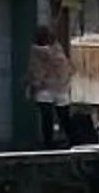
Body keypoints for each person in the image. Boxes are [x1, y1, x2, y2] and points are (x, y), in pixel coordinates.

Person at [28, 12, 75, 147]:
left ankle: (49, 142)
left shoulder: (36, 52)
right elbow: (65, 67)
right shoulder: (57, 50)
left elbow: (35, 71)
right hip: (60, 87)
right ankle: (70, 140)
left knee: (47, 118)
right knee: (63, 116)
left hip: (44, 88)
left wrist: (33, 85)